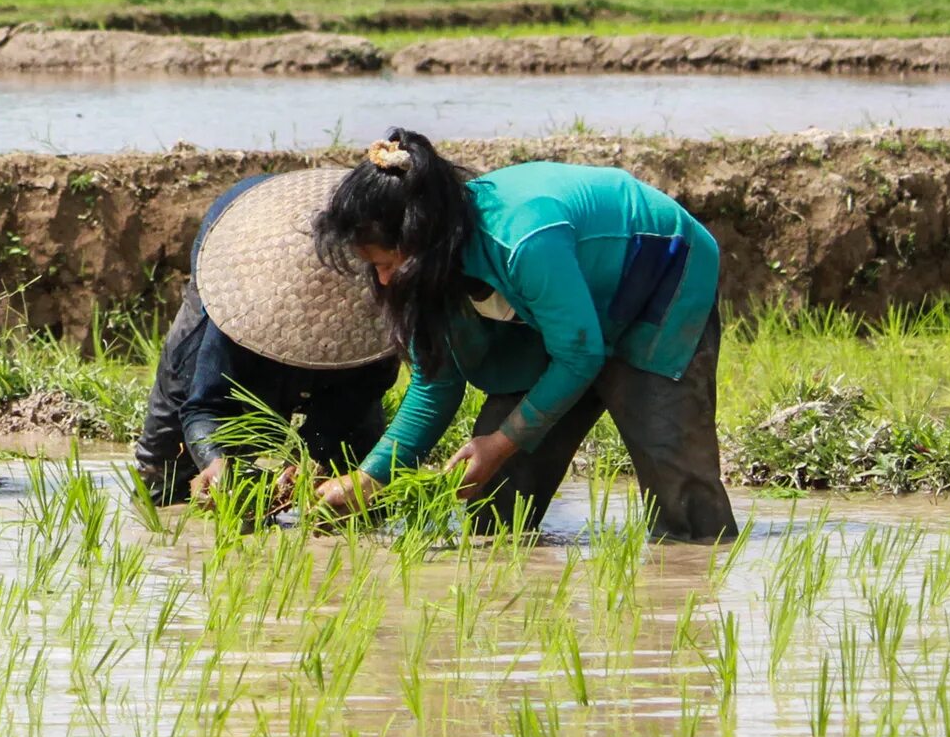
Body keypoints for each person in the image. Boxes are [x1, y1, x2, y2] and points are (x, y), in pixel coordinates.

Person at [307, 130, 738, 542]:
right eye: (373, 266)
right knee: (495, 505)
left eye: (388, 264)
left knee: (681, 494)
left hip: (655, 280)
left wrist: (500, 443)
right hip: (562, 319)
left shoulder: (522, 241)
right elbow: (435, 382)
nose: (382, 282)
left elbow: (580, 356)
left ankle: (697, 572)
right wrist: (369, 478)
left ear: (424, 241)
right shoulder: (430, 272)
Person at [134, 166, 400, 505]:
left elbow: (362, 393)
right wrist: (214, 460)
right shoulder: (243, 300)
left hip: (353, 281)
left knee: (353, 474)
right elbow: (203, 405)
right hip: (239, 244)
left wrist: (312, 457)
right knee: (164, 475)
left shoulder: (376, 297)